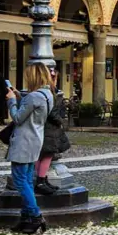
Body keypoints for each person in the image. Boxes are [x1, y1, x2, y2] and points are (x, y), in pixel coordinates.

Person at [6, 63, 54, 235]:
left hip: (23, 142)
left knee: (20, 181)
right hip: (35, 140)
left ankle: (35, 215)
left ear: (33, 77)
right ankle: (26, 218)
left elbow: (18, 118)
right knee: (26, 180)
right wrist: (20, 96)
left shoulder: (33, 97)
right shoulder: (47, 94)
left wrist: (11, 100)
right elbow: (32, 109)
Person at [35, 67, 71, 196]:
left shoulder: (49, 92)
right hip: (49, 128)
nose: (55, 80)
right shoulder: (50, 93)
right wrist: (61, 121)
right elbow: (53, 112)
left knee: (45, 155)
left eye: (55, 77)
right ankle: (40, 181)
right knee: (45, 155)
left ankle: (42, 180)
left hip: (48, 128)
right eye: (53, 77)